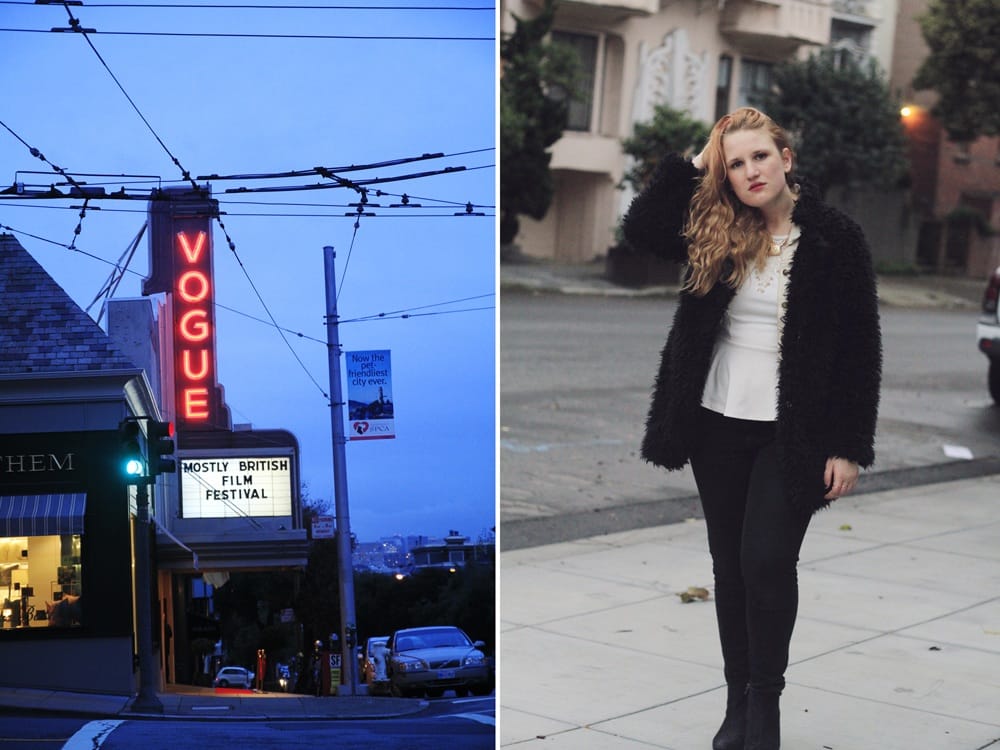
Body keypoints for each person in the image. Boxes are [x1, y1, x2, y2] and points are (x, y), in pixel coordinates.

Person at [621, 107, 881, 750]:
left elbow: (860, 347)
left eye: (759, 157)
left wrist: (848, 447)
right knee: (730, 568)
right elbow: (642, 228)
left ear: (786, 158)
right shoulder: (718, 226)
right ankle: (737, 705)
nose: (749, 171)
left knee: (766, 561)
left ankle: (765, 707)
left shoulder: (834, 238)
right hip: (715, 420)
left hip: (791, 432)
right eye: (735, 163)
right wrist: (696, 162)